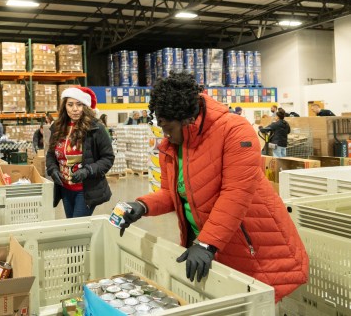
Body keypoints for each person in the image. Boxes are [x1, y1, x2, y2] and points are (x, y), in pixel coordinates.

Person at [118, 72, 308, 303]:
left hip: (253, 247)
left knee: (255, 306)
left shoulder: (234, 129)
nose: (164, 135)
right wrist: (142, 205)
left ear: (186, 119)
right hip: (212, 248)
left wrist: (207, 242)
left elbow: (236, 193)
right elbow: (172, 193)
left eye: (168, 128)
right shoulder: (174, 146)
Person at [46, 87, 114, 218]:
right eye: (70, 104)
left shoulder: (96, 128)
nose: (75, 109)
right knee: (72, 226)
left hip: (85, 190)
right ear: (65, 106)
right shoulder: (58, 127)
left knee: (78, 225)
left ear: (86, 106)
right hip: (65, 188)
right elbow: (50, 154)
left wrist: (87, 171)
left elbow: (108, 158)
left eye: (79, 104)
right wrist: (53, 169)